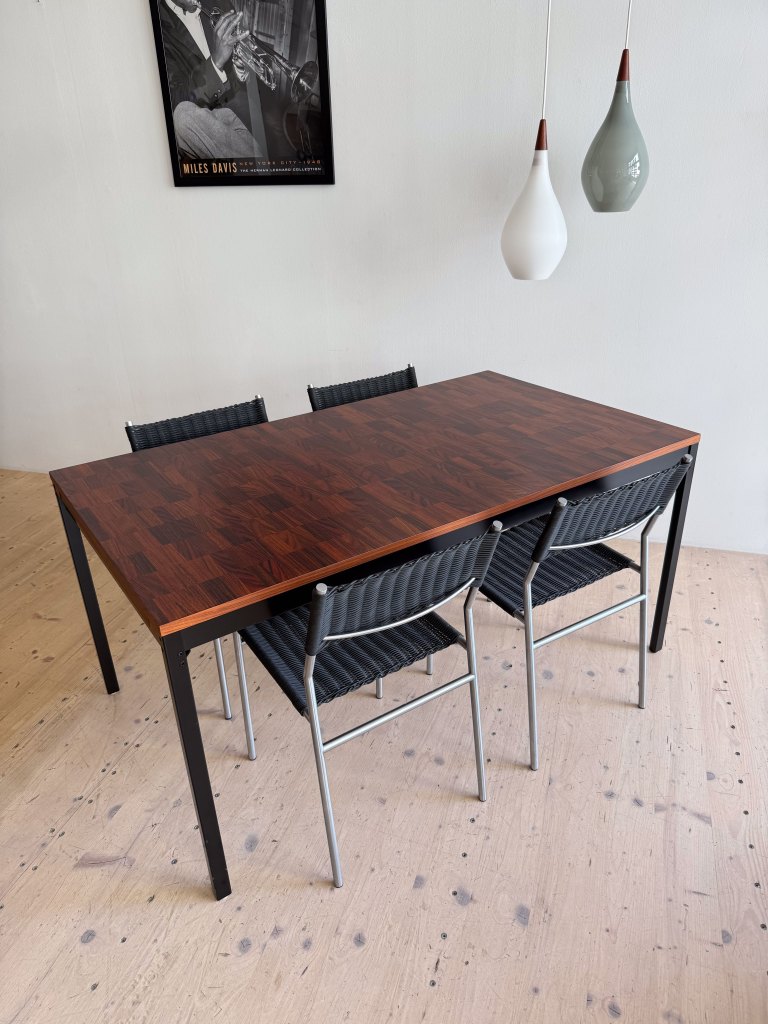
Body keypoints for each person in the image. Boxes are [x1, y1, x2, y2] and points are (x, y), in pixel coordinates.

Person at [158, 0, 265, 160]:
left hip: (239, 114)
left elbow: (247, 79)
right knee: (182, 116)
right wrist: (216, 62)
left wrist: (241, 67)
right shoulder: (159, 26)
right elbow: (175, 98)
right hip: (202, 122)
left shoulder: (221, 5)